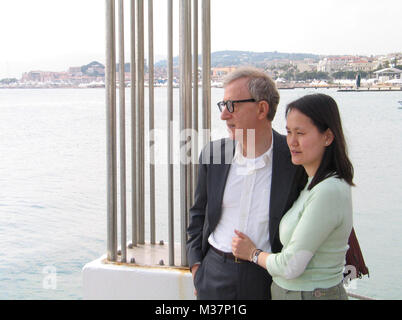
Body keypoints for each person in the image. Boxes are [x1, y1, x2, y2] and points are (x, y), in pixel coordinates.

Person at [186, 67, 305, 300]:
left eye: (232, 105)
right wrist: (196, 266)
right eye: (223, 106)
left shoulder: (294, 159)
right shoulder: (213, 154)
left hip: (268, 277)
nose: (223, 115)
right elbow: (198, 213)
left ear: (262, 109)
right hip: (213, 273)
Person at [232, 93, 354, 300]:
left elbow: (291, 266)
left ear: (328, 137)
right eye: (288, 132)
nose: (292, 142)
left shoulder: (328, 190)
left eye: (301, 133)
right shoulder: (312, 183)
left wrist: (252, 253)